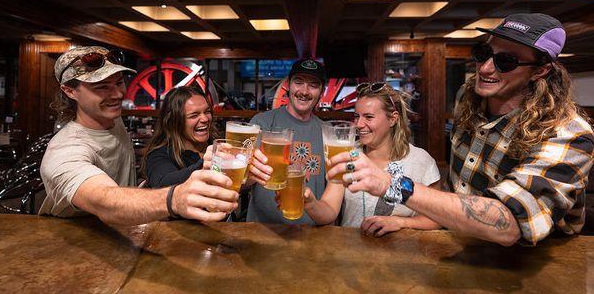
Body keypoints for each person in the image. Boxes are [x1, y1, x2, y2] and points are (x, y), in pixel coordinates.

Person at [327, 13, 594, 246]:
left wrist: (393, 184)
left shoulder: (567, 133)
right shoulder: (469, 95)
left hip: (533, 267)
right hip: (462, 246)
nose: (486, 68)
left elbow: (511, 222)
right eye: (483, 54)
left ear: (540, 71)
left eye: (507, 61)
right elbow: (457, 192)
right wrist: (408, 222)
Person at [39, 46, 238, 224]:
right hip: (78, 246)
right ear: (69, 91)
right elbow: (108, 202)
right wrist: (174, 199)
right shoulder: (64, 151)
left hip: (118, 236)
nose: (117, 94)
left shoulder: (111, 120)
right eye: (102, 87)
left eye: (118, 82)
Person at [300, 83, 441, 235]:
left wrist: (400, 222)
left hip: (402, 253)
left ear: (393, 119)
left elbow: (438, 217)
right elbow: (329, 211)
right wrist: (311, 204)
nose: (359, 125)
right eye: (356, 116)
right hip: (352, 252)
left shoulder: (421, 161)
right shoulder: (348, 155)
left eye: (368, 117)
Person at [245, 59, 327, 224]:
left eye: (313, 85)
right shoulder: (261, 123)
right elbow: (240, 183)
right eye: (298, 82)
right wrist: (250, 175)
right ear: (288, 85)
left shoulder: (327, 133)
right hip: (263, 231)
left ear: (321, 92)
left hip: (313, 237)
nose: (304, 91)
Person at [144, 86, 215, 188]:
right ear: (175, 122)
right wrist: (203, 166)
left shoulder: (216, 143)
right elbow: (162, 183)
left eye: (207, 112)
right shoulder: (161, 154)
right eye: (194, 115)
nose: (205, 119)